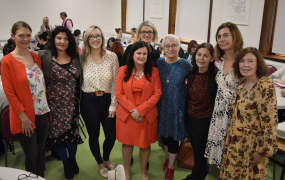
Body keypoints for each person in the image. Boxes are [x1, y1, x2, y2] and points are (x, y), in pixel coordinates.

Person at [219, 47, 278, 179]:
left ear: (258, 64)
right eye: (242, 61)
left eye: (250, 61)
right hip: (235, 143)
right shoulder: (242, 84)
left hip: (252, 146)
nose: (245, 65)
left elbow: (271, 123)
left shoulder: (264, 85)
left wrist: (263, 152)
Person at [1, 21, 50, 177]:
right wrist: (23, 117)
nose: (25, 39)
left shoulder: (36, 57)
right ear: (12, 37)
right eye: (20, 35)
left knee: (41, 151)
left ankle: (40, 177)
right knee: (31, 154)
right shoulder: (7, 61)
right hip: (24, 117)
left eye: (28, 35)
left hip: (42, 113)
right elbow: (10, 94)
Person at [38, 26, 83, 179]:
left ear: (69, 40)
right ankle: (65, 162)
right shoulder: (44, 56)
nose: (62, 41)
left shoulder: (75, 56)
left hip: (72, 105)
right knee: (58, 137)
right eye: (59, 38)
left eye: (65, 38)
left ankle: (72, 159)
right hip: (54, 106)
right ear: (53, 39)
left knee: (72, 135)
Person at [115, 41, 162, 180]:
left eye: (145, 54)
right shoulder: (123, 70)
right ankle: (127, 171)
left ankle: (143, 171)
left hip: (146, 115)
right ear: (133, 55)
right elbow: (119, 93)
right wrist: (133, 111)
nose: (142, 56)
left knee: (145, 144)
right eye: (139, 53)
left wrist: (140, 111)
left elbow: (157, 93)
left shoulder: (154, 71)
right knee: (127, 143)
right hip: (127, 114)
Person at [80, 25, 119, 178]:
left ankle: (106, 158)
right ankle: (100, 162)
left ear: (102, 38)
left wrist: (113, 104)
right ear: (87, 39)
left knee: (111, 135)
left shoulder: (112, 56)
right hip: (88, 101)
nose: (95, 39)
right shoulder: (81, 58)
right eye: (91, 36)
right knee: (94, 135)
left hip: (108, 99)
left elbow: (116, 83)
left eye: (98, 36)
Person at [204, 22, 244, 168]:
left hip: (236, 113)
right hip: (219, 112)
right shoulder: (220, 60)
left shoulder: (243, 60)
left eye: (226, 35)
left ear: (235, 36)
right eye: (219, 36)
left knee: (233, 152)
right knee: (220, 150)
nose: (221, 39)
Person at [157, 34, 192, 180]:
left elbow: (192, 84)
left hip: (177, 107)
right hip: (161, 107)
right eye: (167, 46)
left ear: (179, 47)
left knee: (173, 139)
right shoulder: (159, 62)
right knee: (164, 137)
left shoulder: (186, 65)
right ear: (163, 48)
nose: (171, 49)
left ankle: (171, 167)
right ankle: (167, 158)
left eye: (174, 46)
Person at [182, 43, 218, 180]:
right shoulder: (191, 73)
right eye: (199, 54)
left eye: (206, 55)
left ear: (212, 58)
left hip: (204, 120)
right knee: (197, 149)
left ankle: (197, 175)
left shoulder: (216, 76)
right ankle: (200, 172)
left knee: (200, 151)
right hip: (190, 118)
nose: (201, 58)